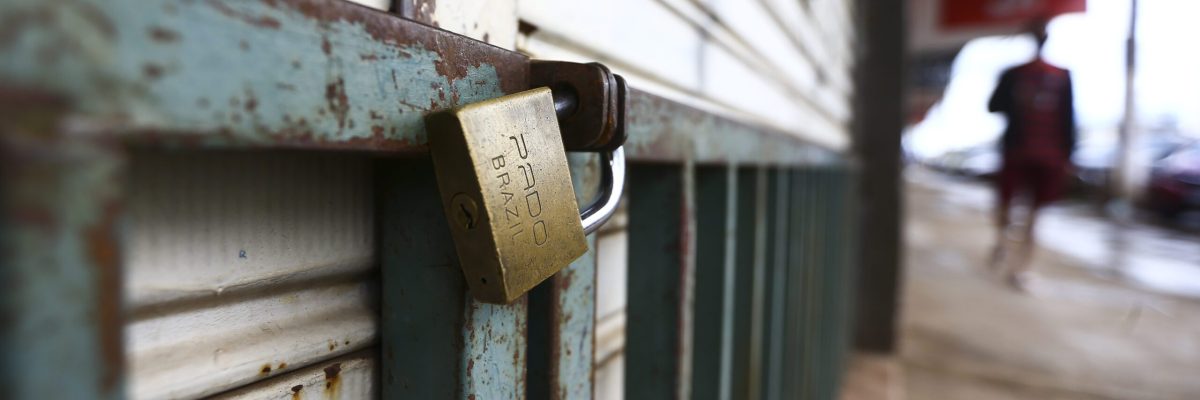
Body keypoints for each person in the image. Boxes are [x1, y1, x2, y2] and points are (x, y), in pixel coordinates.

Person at [987, 18, 1077, 291]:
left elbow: (1068, 118)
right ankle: (1008, 248)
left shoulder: (1059, 75)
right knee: (1015, 208)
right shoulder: (1016, 74)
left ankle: (1017, 264)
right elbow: (993, 105)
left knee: (1029, 213)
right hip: (1027, 150)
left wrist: (1069, 154)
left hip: (1044, 153)